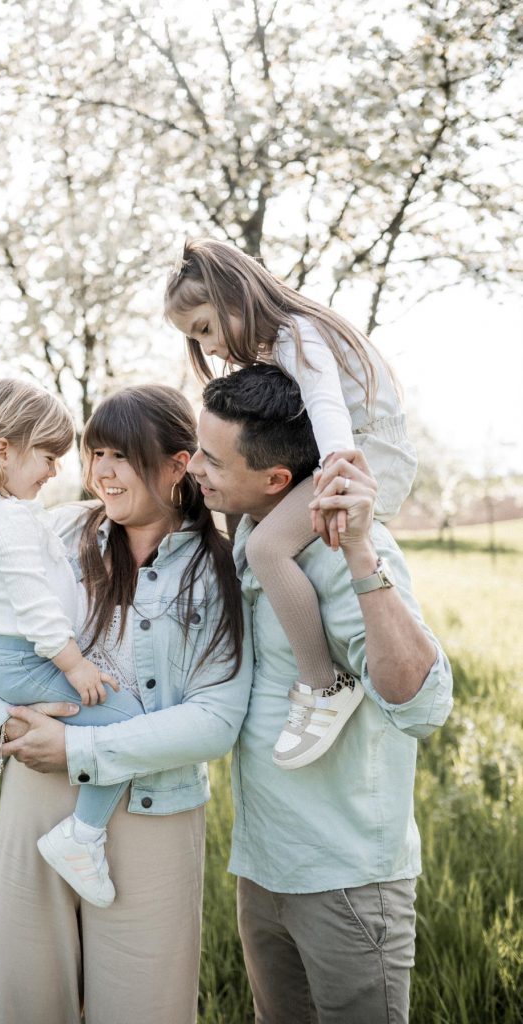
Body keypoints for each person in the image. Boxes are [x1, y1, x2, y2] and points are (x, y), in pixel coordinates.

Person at [0, 383, 253, 1024]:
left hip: (150, 805)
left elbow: (216, 719)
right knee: (33, 1001)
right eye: (93, 452)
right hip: (36, 787)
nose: (100, 472)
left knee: (144, 1007)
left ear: (176, 464)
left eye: (121, 456)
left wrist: (80, 746)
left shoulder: (218, 568)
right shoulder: (55, 529)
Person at [187, 363, 453, 1023]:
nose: (195, 467)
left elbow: (424, 706)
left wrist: (363, 554)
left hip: (346, 880)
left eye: (212, 460)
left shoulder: (340, 550)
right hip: (264, 865)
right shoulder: (252, 536)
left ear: (277, 479)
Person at [165, 237, 418, 769]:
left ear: (236, 295)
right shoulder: (281, 341)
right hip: (346, 452)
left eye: (206, 328)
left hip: (365, 458)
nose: (208, 347)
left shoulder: (297, 334)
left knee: (269, 549)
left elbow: (327, 407)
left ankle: (324, 683)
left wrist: (337, 475)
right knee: (240, 512)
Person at [0, 377, 149, 908]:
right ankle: (83, 837)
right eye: (49, 457)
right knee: (125, 724)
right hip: (28, 657)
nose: (56, 471)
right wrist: (75, 667)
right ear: (4, 450)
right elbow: (36, 611)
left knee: (2, 725)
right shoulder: (10, 520)